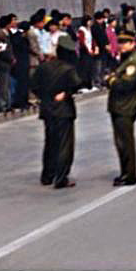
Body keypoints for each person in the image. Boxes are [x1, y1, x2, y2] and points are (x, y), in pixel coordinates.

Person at [31, 35, 83, 189]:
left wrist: (45, 97)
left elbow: (33, 86)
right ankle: (61, 178)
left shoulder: (44, 67)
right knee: (65, 145)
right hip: (64, 110)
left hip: (47, 109)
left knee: (50, 143)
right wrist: (65, 94)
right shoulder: (68, 69)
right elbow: (76, 85)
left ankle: (47, 175)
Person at [106, 32, 136, 186]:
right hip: (119, 106)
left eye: (124, 42)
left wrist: (111, 80)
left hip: (125, 107)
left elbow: (125, 85)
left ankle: (129, 175)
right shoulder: (126, 59)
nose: (121, 45)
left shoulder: (134, 62)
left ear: (132, 43)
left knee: (125, 142)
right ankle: (125, 172)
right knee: (120, 141)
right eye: (119, 42)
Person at [0, 15, 17, 113]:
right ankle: (2, 104)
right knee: (2, 84)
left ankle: (8, 103)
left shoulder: (7, 33)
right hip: (2, 62)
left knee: (7, 83)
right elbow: (2, 50)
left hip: (7, 62)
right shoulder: (0, 34)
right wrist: (10, 58)